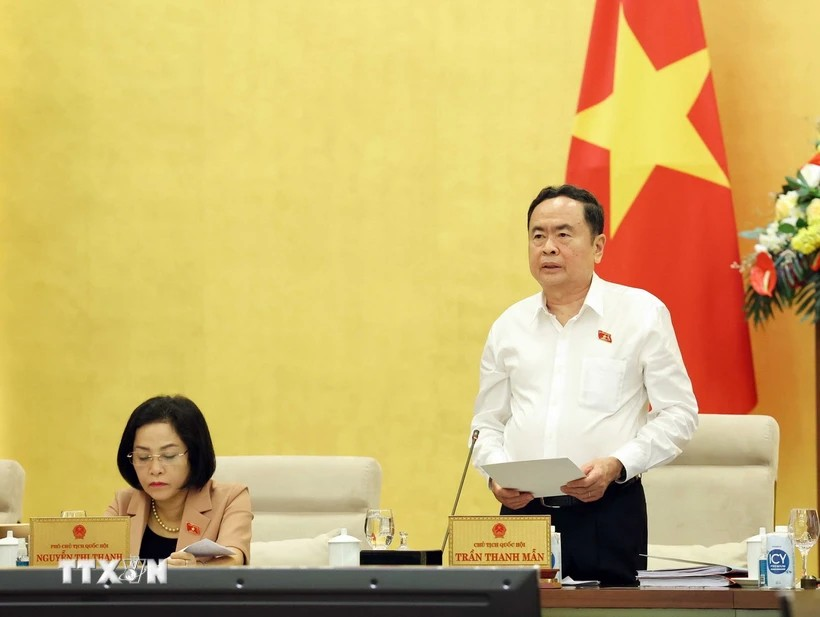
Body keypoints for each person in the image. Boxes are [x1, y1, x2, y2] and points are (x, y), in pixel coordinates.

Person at [470, 184, 698, 586]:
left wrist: (618, 464)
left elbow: (679, 414)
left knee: (608, 612)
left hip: (608, 510)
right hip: (523, 516)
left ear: (598, 247)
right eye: (538, 235)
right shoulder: (509, 326)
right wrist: (494, 474)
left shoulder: (641, 314)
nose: (548, 247)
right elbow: (486, 424)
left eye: (563, 234)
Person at [105, 395, 252, 566]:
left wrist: (195, 571)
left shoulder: (230, 499)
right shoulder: (123, 503)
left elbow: (234, 561)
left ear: (194, 455)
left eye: (169, 456)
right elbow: (96, 564)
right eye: (143, 457)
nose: (155, 469)